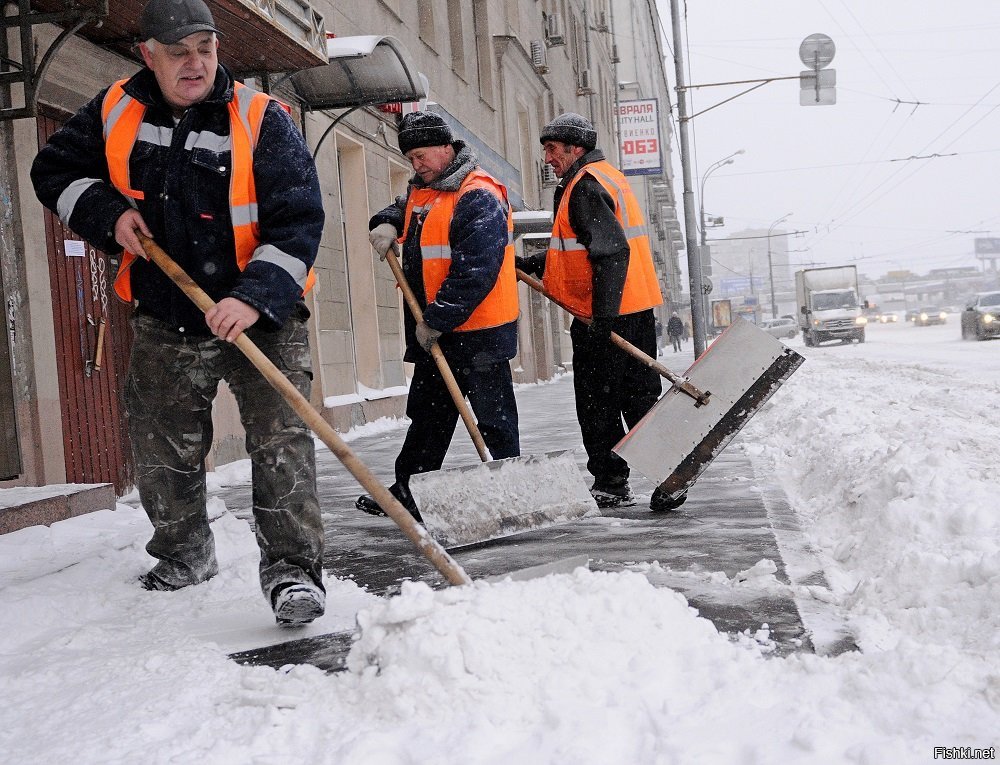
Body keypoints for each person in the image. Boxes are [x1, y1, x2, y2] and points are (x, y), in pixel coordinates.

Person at [30, 0, 327, 626]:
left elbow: (298, 220)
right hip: (168, 310)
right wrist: (107, 214)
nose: (195, 64)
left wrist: (249, 298)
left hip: (264, 315)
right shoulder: (115, 110)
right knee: (161, 441)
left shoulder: (261, 118)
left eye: (205, 48)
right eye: (178, 51)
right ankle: (183, 553)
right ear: (149, 55)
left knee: (281, 441)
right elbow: (55, 168)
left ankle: (293, 573)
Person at [355, 111, 520, 518]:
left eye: (422, 155)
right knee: (428, 417)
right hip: (439, 329)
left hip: (479, 331)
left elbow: (475, 271)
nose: (417, 165)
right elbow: (404, 207)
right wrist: (388, 222)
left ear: (447, 149)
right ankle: (408, 490)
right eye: (410, 158)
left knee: (493, 418)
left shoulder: (477, 193)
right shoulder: (424, 190)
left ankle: (512, 487)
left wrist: (437, 319)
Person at [520, 112, 684, 511]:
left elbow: (611, 252)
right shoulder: (603, 176)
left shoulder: (585, 186)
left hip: (608, 315)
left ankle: (614, 482)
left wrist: (604, 317)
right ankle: (670, 475)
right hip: (632, 308)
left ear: (575, 149)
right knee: (638, 398)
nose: (547, 158)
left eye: (553, 149)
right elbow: (584, 246)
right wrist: (538, 262)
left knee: (599, 402)